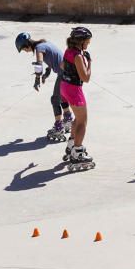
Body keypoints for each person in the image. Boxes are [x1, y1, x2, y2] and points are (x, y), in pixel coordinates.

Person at [15, 32, 73, 142]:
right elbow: (53, 58)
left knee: (55, 99)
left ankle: (59, 127)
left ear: (27, 45)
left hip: (64, 74)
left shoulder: (39, 48)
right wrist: (46, 74)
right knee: (62, 97)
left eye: (23, 49)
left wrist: (37, 80)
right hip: (68, 71)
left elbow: (39, 63)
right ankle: (68, 118)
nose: (26, 52)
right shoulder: (44, 43)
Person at [60, 26, 95, 170]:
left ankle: (71, 145)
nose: (88, 44)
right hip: (74, 89)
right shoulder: (79, 56)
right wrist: (89, 62)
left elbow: (62, 65)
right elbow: (85, 78)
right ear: (81, 42)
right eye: (87, 41)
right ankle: (77, 153)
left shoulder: (69, 51)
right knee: (82, 122)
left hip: (64, 86)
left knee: (77, 118)